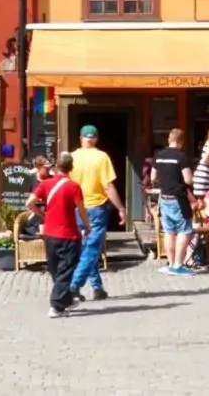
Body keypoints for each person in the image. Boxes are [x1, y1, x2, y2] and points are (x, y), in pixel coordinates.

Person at [66, 123, 123, 304]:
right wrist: (121, 208)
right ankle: (74, 286)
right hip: (96, 209)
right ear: (96, 139)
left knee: (86, 250)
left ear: (81, 139)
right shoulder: (101, 157)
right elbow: (107, 186)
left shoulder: (72, 157)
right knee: (92, 250)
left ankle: (97, 288)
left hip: (76, 209)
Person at [37, 153, 83, 317]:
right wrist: (88, 225)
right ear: (71, 168)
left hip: (49, 233)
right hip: (68, 234)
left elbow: (29, 202)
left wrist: (43, 215)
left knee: (55, 268)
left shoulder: (46, 184)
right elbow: (81, 209)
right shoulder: (74, 186)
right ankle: (56, 306)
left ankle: (67, 300)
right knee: (66, 269)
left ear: (57, 166)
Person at [149, 129, 193, 274]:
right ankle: (178, 265)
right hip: (178, 198)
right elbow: (188, 179)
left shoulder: (159, 156)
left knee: (169, 231)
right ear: (181, 142)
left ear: (169, 139)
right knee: (184, 231)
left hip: (164, 197)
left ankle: (171, 263)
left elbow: (152, 177)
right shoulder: (181, 157)